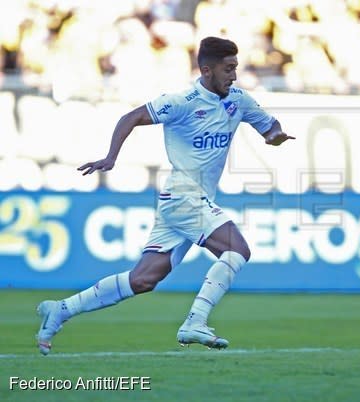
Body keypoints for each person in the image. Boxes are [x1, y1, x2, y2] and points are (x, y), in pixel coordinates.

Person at [35, 36, 295, 355]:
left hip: (186, 201)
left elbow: (269, 125)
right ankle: (195, 322)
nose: (234, 76)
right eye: (228, 69)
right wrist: (112, 156)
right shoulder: (182, 101)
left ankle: (61, 309)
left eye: (236, 68)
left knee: (144, 279)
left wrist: (274, 135)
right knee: (237, 249)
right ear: (206, 69)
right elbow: (130, 117)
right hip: (184, 195)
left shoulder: (238, 100)